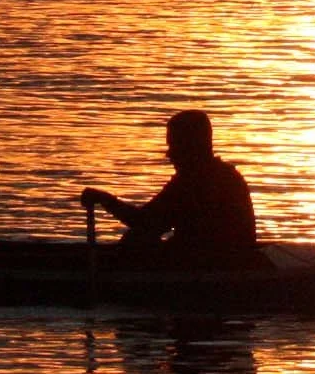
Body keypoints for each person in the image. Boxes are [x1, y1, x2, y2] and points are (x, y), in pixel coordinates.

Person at [80, 110, 257, 266]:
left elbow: (146, 222)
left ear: (192, 146)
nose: (169, 154)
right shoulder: (221, 175)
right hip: (219, 258)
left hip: (211, 264)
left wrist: (105, 200)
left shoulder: (194, 183)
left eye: (174, 145)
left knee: (135, 240)